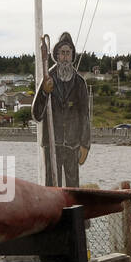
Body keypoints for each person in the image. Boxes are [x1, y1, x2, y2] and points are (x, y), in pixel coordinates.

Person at [32, 32, 92, 186]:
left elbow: (84, 116)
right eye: (62, 53)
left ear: (72, 56)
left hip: (72, 145)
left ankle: (72, 210)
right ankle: (52, 210)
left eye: (68, 53)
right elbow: (37, 114)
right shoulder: (48, 78)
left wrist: (85, 145)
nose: (65, 57)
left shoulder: (79, 83)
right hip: (52, 144)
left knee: (73, 187)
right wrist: (45, 92)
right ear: (56, 55)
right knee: (52, 185)